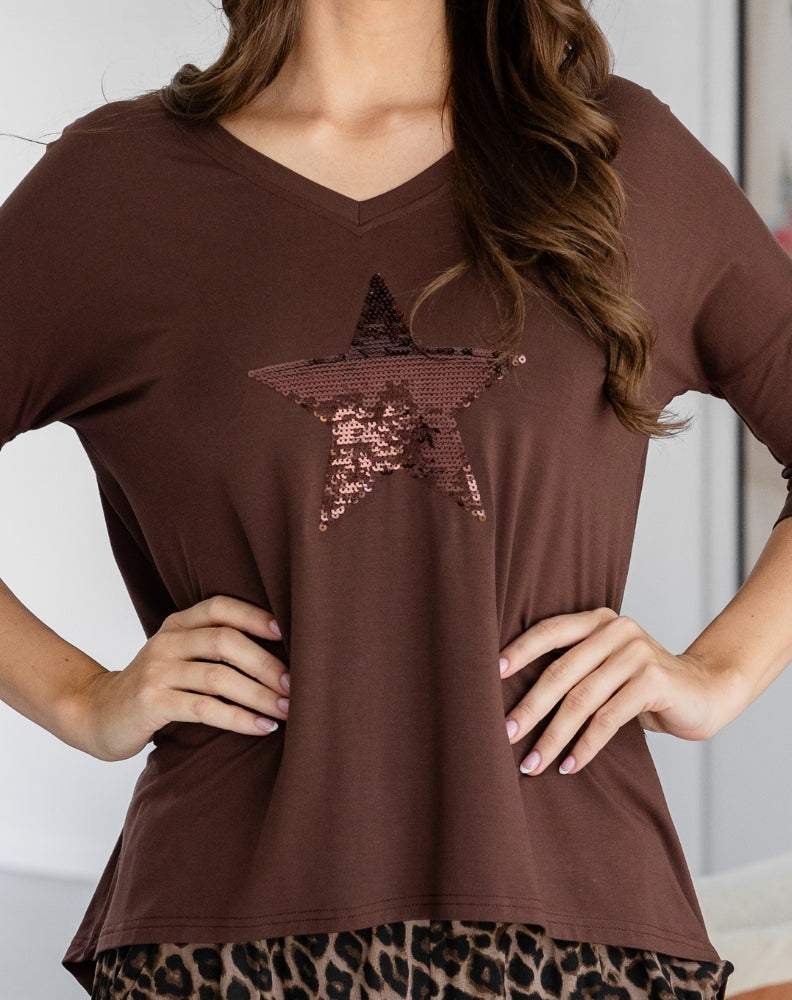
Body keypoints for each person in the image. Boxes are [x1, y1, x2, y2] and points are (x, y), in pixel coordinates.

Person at [3, 0, 792, 996]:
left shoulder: (610, 156)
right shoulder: (116, 188)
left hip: (579, 928)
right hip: (224, 939)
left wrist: (717, 674)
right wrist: (82, 699)